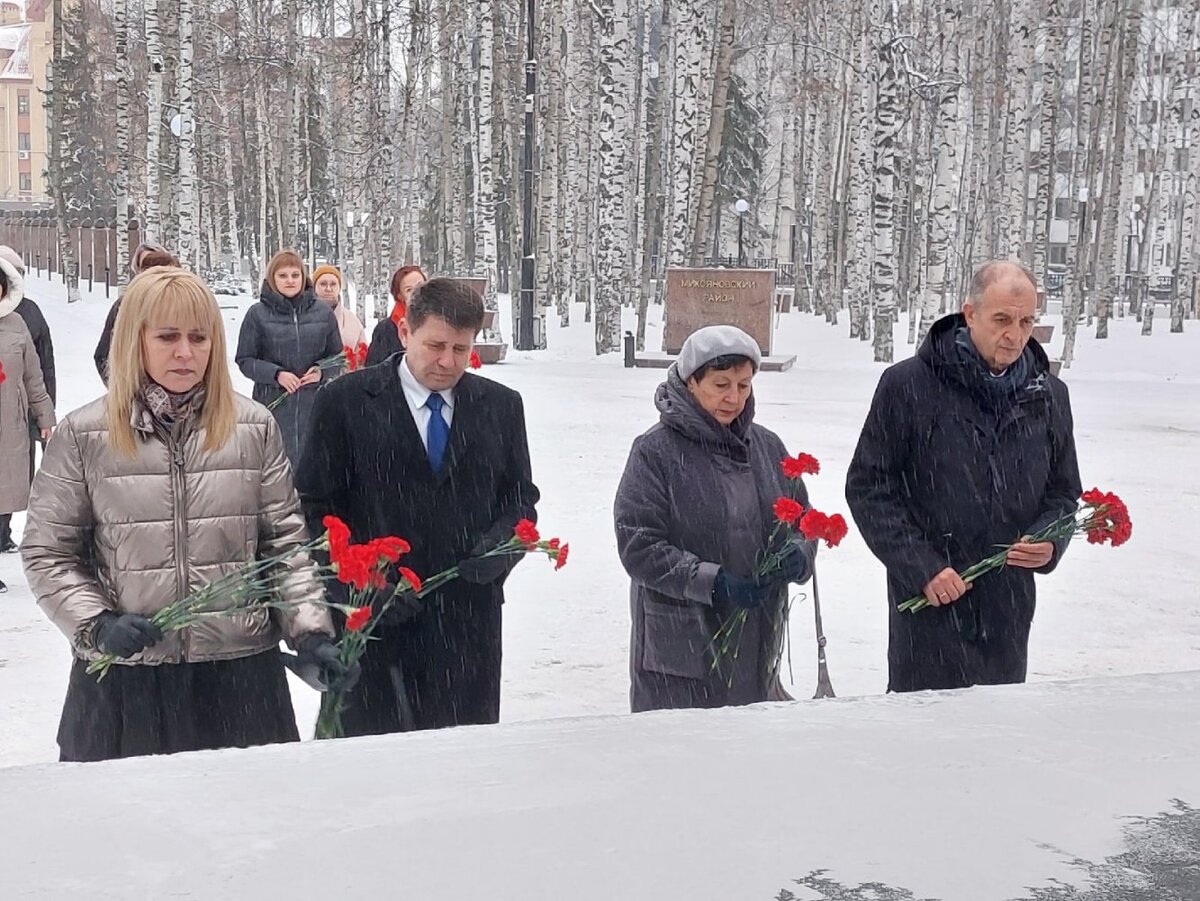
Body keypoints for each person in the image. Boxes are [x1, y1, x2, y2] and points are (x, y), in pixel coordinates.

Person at [20, 267, 352, 762]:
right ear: (135, 340)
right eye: (168, 337)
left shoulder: (252, 428)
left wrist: (310, 632)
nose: (185, 352)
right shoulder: (84, 435)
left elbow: (284, 546)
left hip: (239, 682)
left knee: (248, 831)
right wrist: (97, 621)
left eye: (199, 338)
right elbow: (48, 551)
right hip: (126, 680)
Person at [296, 277, 539, 734]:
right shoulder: (344, 403)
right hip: (374, 628)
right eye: (436, 346)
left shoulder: (501, 407)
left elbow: (520, 501)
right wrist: (357, 586)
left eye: (462, 350)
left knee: (458, 777)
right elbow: (312, 511)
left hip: (466, 628)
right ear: (405, 332)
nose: (448, 362)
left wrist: (498, 552)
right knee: (374, 779)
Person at [845, 261, 1082, 694]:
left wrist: (1049, 539)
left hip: (1006, 605)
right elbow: (869, 486)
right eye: (1002, 319)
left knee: (993, 738)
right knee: (923, 737)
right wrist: (923, 567)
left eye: (1027, 320)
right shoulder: (907, 385)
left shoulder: (1049, 395)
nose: (1015, 334)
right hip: (931, 603)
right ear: (969, 314)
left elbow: (1064, 491)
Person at [614, 325, 816, 713]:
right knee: (680, 760)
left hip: (755, 640)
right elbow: (638, 544)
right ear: (691, 381)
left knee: (743, 758)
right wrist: (713, 582)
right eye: (721, 384)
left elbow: (802, 521)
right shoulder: (654, 452)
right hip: (681, 646)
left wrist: (798, 553)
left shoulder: (768, 447)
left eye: (743, 385)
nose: (733, 397)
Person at [235, 250, 341, 464]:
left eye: (295, 275)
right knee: (274, 467)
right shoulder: (257, 314)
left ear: (304, 277)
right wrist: (277, 374)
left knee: (313, 468)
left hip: (314, 406)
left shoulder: (323, 314)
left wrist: (321, 372)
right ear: (272, 278)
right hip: (272, 406)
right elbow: (245, 360)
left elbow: (338, 357)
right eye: (283, 276)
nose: (290, 281)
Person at [0, 255, 55, 582]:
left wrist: (44, 415)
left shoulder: (17, 325)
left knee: (4, 490)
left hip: (10, 424)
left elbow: (34, 377)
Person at [94, 242, 181, 383]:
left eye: (158, 266)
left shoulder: (185, 303)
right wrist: (124, 391)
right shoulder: (124, 306)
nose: (154, 273)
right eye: (146, 267)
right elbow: (103, 356)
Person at [366, 264, 426, 366]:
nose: (417, 292)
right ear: (400, 296)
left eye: (420, 286)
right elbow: (373, 373)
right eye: (409, 290)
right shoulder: (386, 330)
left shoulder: (443, 323)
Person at [312, 264, 366, 349]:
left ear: (339, 288)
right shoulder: (303, 317)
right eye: (323, 284)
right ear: (314, 288)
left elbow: (363, 353)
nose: (328, 289)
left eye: (333, 284)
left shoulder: (352, 320)